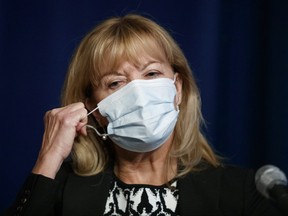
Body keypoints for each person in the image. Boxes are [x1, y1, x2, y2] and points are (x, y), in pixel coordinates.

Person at [4, 14, 284, 216]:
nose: (138, 93)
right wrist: (48, 158)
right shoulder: (60, 190)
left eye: (151, 74)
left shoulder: (243, 193)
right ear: (95, 111)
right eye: (115, 83)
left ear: (177, 88)